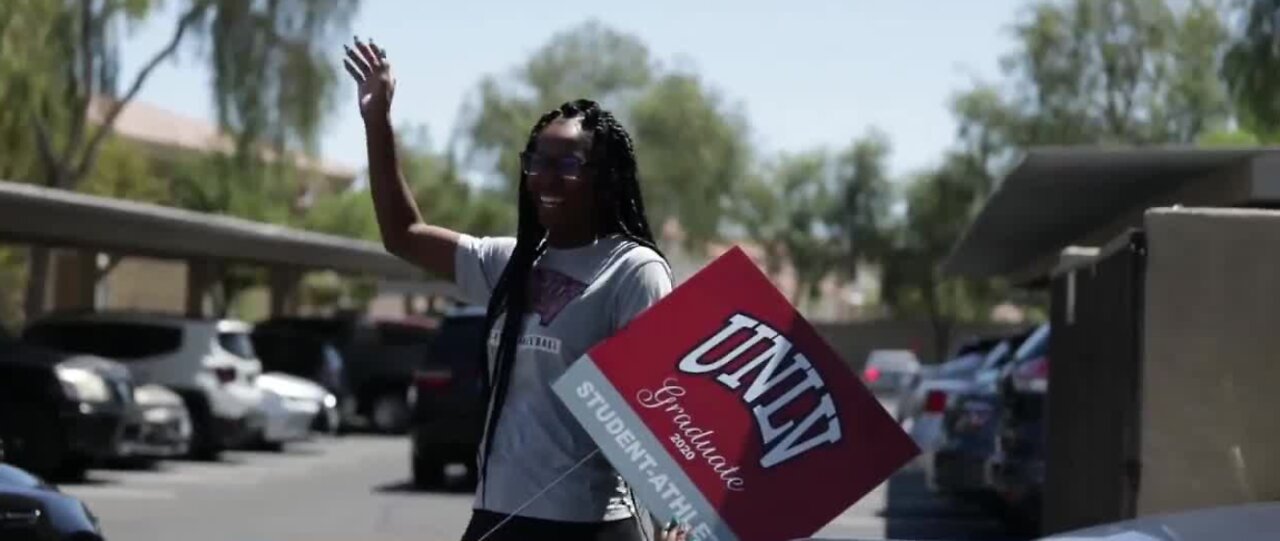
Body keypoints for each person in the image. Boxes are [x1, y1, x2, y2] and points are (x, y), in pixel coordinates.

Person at [344, 37, 684, 541]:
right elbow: (404, 235)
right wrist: (378, 121)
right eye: (536, 161)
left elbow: (660, 406)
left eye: (567, 164)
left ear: (604, 178)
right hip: (498, 516)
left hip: (589, 525)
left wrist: (673, 519)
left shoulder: (634, 270)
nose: (546, 177)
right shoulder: (510, 262)